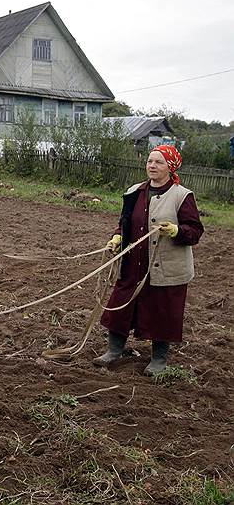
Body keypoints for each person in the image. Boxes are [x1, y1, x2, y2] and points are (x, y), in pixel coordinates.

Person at [94, 145, 204, 376]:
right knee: (120, 305)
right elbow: (125, 221)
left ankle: (159, 359)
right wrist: (117, 237)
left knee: (162, 312)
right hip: (133, 263)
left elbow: (194, 230)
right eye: (149, 161)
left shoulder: (182, 196)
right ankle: (114, 350)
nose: (152, 166)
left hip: (166, 268)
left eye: (158, 162)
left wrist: (176, 231)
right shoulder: (135, 191)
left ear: (170, 167)